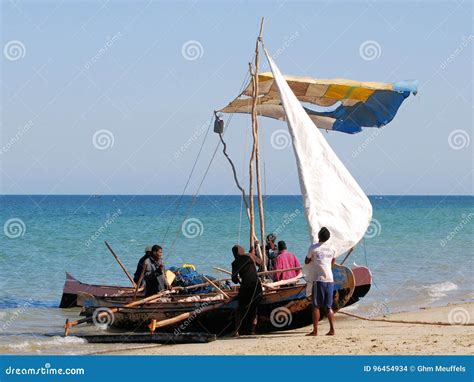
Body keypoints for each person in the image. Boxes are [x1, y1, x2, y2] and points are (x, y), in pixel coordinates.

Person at [304, 227, 336, 336]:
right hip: (330, 280)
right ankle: (332, 330)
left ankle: (315, 330)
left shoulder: (314, 248)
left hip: (319, 280)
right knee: (328, 307)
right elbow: (333, 262)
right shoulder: (332, 248)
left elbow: (306, 261)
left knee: (316, 306)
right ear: (328, 238)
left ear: (318, 236)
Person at [231, 244, 263, 336]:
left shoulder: (235, 263)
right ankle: (253, 330)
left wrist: (238, 279)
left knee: (239, 310)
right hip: (257, 286)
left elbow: (234, 279)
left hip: (245, 287)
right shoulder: (250, 256)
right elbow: (261, 263)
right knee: (254, 309)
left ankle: (236, 331)